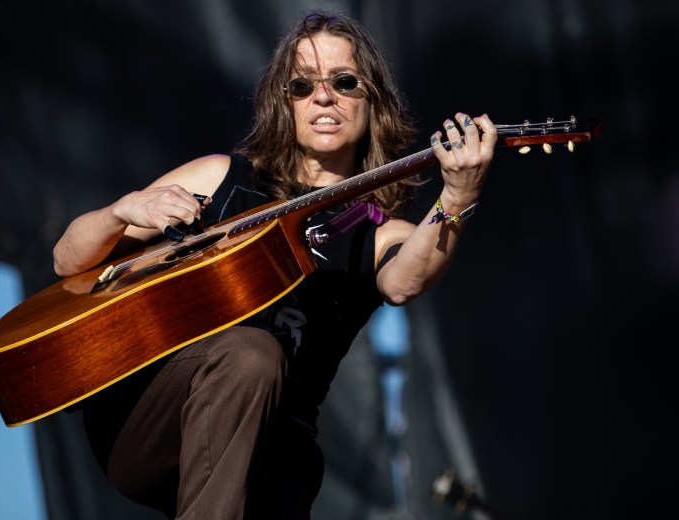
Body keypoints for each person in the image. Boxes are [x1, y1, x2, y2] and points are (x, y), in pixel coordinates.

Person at [52, 9, 496, 520]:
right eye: (302, 86)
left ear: (372, 100)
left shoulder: (378, 235)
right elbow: (67, 259)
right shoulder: (219, 178)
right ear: (285, 103)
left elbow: (403, 282)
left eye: (344, 82)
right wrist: (121, 211)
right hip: (148, 421)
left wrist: (457, 197)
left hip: (271, 455)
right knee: (250, 352)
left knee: (285, 459)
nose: (323, 97)